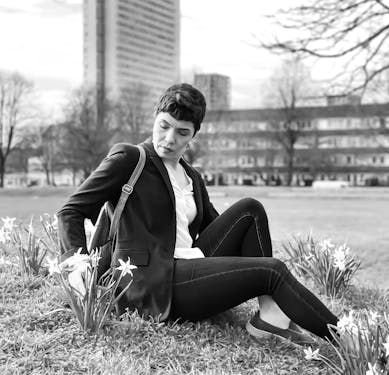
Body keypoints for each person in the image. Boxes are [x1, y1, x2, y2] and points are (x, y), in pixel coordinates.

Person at [57, 83, 338, 343]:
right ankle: (349, 340)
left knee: (250, 209)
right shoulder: (129, 160)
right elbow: (71, 210)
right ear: (155, 118)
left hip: (187, 266)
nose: (169, 139)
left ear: (193, 135)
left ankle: (270, 316)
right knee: (273, 271)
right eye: (164, 126)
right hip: (150, 282)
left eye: (182, 132)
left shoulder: (191, 176)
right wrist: (77, 262)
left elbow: (222, 230)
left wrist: (236, 272)